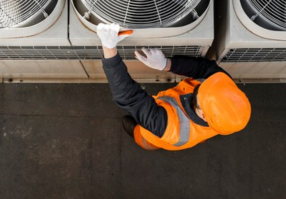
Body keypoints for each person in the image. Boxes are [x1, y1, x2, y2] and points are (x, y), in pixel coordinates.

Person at [97, 23, 251, 151]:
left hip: (156, 136)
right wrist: (166, 64)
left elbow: (129, 97)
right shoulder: (223, 87)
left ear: (203, 115)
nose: (201, 85)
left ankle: (138, 135)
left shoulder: (171, 128)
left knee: (145, 138)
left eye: (201, 94)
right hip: (194, 129)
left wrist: (109, 48)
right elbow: (203, 68)